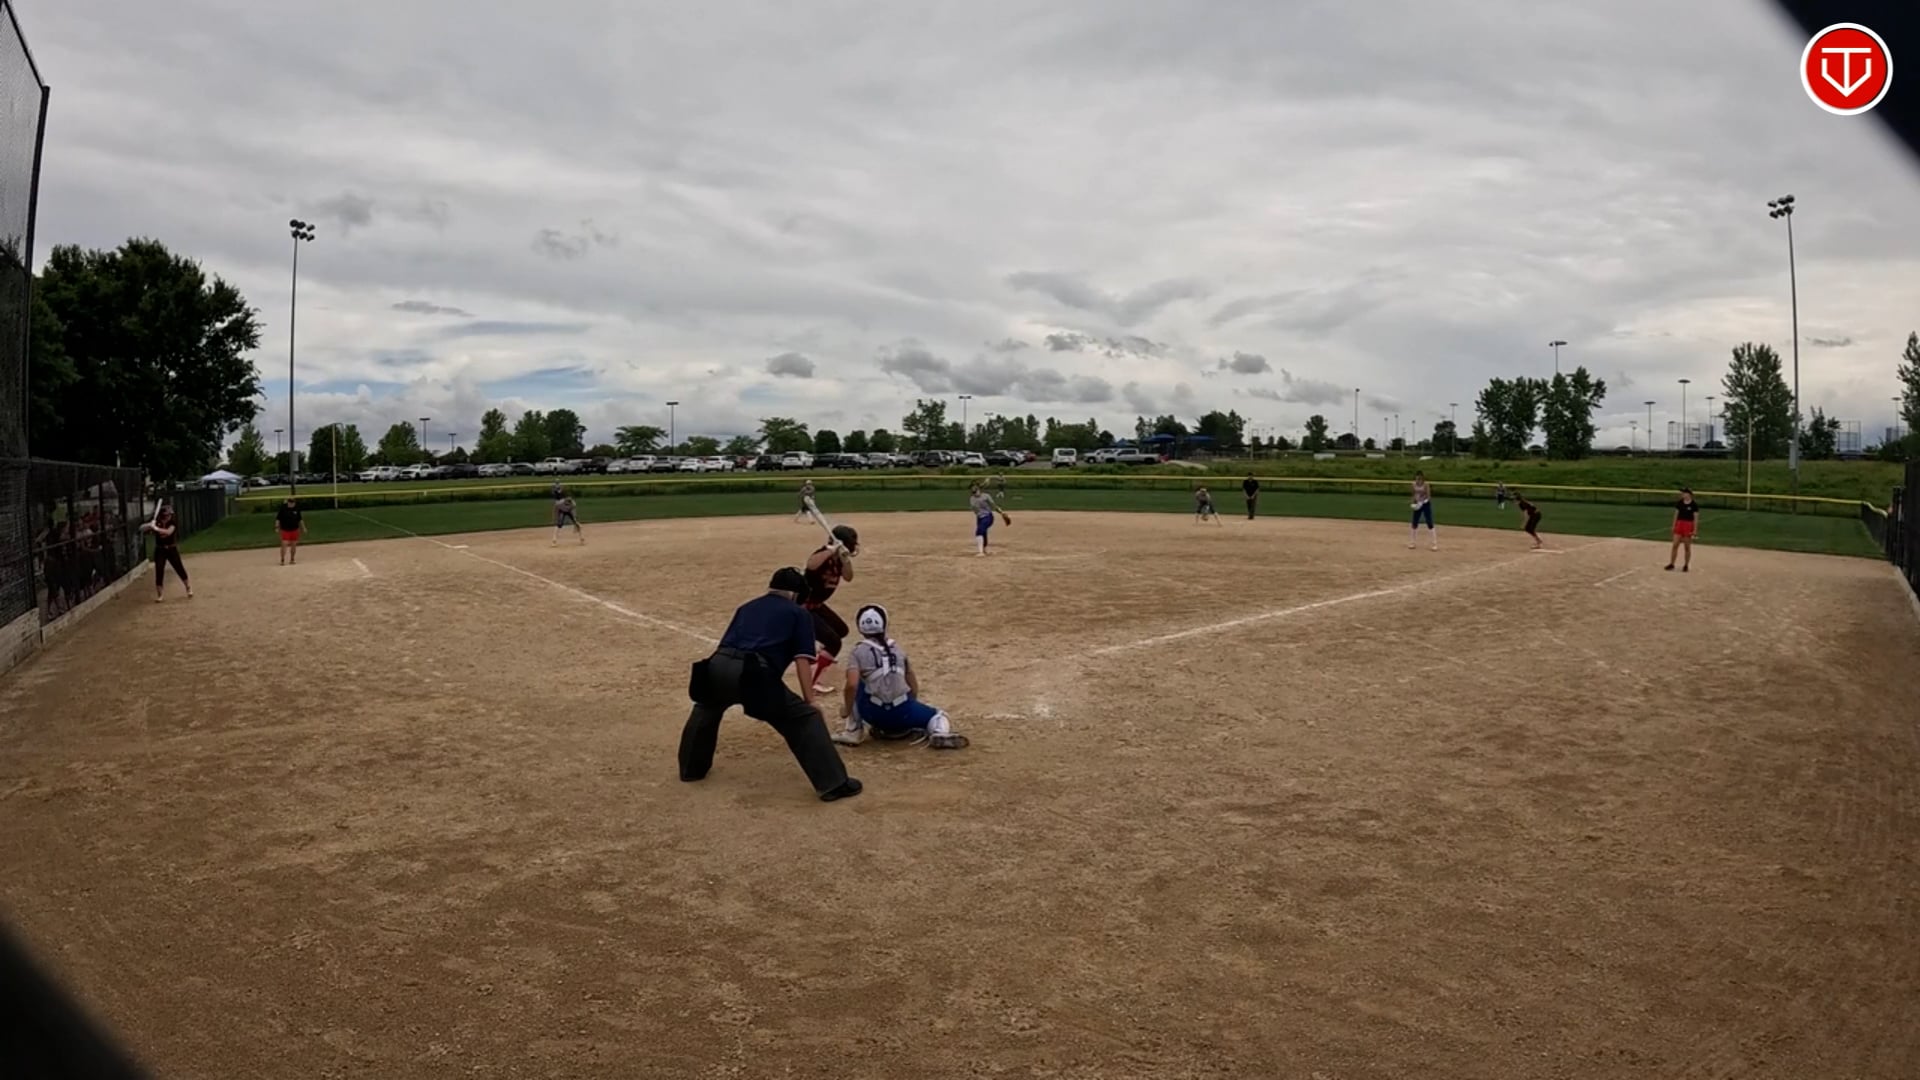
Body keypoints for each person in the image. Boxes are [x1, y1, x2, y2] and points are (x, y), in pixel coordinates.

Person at [678, 567, 861, 801]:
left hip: (716, 665)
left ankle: (691, 770)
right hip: (753, 674)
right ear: (795, 595)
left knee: (706, 708)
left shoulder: (746, 607)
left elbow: (727, 644)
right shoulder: (799, 613)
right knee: (804, 718)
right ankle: (833, 784)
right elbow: (802, 661)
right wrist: (810, 700)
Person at [833, 604, 969, 749]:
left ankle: (853, 731)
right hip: (902, 712)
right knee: (938, 715)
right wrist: (910, 706)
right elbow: (912, 684)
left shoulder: (857, 652)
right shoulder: (897, 650)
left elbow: (851, 685)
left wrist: (847, 709)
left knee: (859, 683)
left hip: (873, 714)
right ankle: (938, 732)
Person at [804, 524, 859, 691]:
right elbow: (811, 565)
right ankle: (813, 681)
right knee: (834, 642)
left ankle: (823, 655)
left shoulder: (839, 559)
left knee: (841, 630)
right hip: (802, 607)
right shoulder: (823, 554)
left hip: (816, 605)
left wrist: (845, 559)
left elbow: (848, 576)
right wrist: (831, 549)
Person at [145, 505, 191, 602]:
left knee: (179, 568)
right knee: (159, 570)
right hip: (160, 550)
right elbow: (143, 530)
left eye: (170, 514)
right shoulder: (157, 522)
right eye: (167, 514)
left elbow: (168, 532)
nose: (169, 516)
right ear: (163, 515)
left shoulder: (172, 522)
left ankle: (188, 587)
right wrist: (149, 526)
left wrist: (156, 528)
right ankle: (160, 595)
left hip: (171, 549)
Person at [1667, 487, 1699, 572]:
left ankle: (1686, 565)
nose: (1682, 494)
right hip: (1679, 524)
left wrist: (1695, 530)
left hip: (1688, 525)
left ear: (1689, 494)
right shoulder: (1680, 503)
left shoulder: (1694, 505)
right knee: (1675, 545)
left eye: (1684, 493)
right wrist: (1673, 525)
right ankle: (1672, 563)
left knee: (1687, 547)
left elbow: (1695, 518)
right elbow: (1676, 515)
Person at [969, 482, 1005, 555]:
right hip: (979, 518)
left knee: (979, 531)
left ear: (979, 490)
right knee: (983, 533)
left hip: (988, 517)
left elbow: (993, 505)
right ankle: (984, 549)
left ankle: (981, 552)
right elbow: (976, 510)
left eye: (976, 491)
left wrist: (1001, 513)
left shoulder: (986, 496)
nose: (975, 493)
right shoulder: (972, 499)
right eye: (973, 492)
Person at [1408, 471, 1437, 550]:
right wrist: (1413, 503)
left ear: (1422, 478)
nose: (1418, 480)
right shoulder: (1413, 484)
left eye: (1420, 478)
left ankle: (1434, 543)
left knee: (1429, 522)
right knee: (1414, 522)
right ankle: (1412, 542)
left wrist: (1423, 502)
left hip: (1425, 504)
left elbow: (1428, 496)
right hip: (1418, 504)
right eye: (1417, 478)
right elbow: (1413, 495)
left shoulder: (1426, 485)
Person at [276, 498, 306, 566]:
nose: (293, 504)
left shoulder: (296, 508)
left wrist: (303, 527)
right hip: (285, 530)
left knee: (294, 545)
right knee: (284, 545)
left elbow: (300, 519)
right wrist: (277, 527)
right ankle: (282, 560)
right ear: (288, 503)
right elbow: (278, 519)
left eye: (294, 503)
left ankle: (292, 559)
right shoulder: (283, 509)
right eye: (291, 503)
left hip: (294, 529)